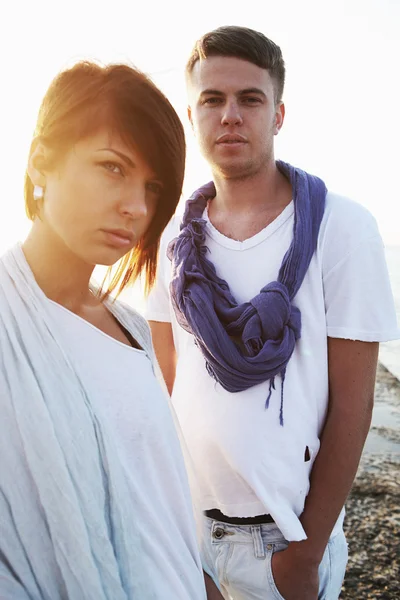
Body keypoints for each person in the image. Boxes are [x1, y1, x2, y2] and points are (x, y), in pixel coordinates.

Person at [146, 26, 400, 600]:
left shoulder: (344, 227)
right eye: (212, 100)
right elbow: (161, 390)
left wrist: (305, 554)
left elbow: (354, 404)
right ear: (193, 115)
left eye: (250, 99)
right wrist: (176, 538)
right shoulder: (170, 242)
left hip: (284, 542)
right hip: (189, 537)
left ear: (279, 114)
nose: (230, 115)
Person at [0, 60, 218, 600]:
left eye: (152, 187)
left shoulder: (133, 332)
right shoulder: (10, 329)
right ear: (40, 163)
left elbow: (161, 495)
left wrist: (208, 583)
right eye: (112, 167)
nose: (136, 207)